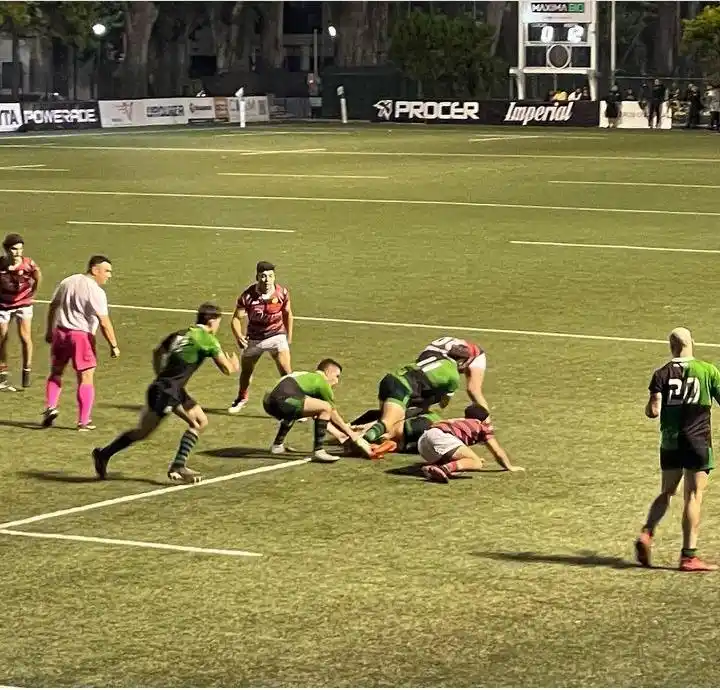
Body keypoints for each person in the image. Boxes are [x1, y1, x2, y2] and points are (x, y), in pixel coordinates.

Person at [93, 303, 240, 483]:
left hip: (168, 388)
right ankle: (176, 466)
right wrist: (234, 365)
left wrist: (161, 376)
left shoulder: (180, 334)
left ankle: (105, 455)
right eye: (218, 322)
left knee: (199, 421)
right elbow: (227, 369)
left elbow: (158, 352)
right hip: (167, 392)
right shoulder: (208, 340)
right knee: (155, 430)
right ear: (212, 321)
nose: (218, 327)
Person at [635, 327, 719, 571]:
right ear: (692, 342)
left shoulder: (661, 373)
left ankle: (647, 532)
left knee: (667, 492)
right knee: (693, 496)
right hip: (697, 442)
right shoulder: (708, 371)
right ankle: (688, 556)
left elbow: (653, 411)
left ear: (671, 347)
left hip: (670, 442)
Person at [43, 255, 119, 430]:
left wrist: (49, 330)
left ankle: (51, 406)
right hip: (81, 337)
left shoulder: (68, 281)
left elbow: (53, 305)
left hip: (61, 333)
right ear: (95, 270)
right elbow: (104, 322)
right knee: (86, 377)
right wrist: (113, 345)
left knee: (56, 372)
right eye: (107, 271)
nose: (109, 275)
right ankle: (83, 421)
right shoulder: (96, 292)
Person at [263, 358, 370, 462]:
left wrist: (339, 435)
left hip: (268, 402)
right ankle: (319, 451)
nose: (337, 381)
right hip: (283, 400)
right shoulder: (321, 382)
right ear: (328, 372)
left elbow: (318, 416)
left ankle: (277, 445)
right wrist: (352, 434)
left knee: (299, 409)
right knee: (326, 407)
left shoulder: (306, 376)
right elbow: (332, 413)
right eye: (336, 376)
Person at [228, 261, 293, 414]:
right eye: (263, 276)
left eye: (270, 276)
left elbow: (287, 313)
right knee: (246, 372)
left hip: (277, 335)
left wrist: (288, 336)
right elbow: (236, 318)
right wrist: (238, 336)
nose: (267, 280)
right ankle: (242, 398)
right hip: (255, 339)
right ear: (257, 277)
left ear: (274, 277)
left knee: (286, 372)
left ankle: (293, 403)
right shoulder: (248, 296)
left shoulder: (282, 293)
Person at [419, 404, 524, 483]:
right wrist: (509, 466)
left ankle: (431, 468)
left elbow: (436, 426)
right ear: (484, 419)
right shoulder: (481, 426)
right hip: (442, 437)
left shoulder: (459, 421)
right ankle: (444, 469)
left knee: (463, 461)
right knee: (476, 463)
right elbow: (497, 451)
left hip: (423, 441)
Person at [0, 233, 41, 391]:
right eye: (14, 249)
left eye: (20, 249)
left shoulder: (28, 264)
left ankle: (26, 371)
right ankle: (2, 372)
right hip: (4, 305)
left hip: (23, 304)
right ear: (6, 249)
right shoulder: (1, 264)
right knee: (2, 337)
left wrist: (33, 294)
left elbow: (38, 277)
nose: (17, 252)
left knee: (25, 337)